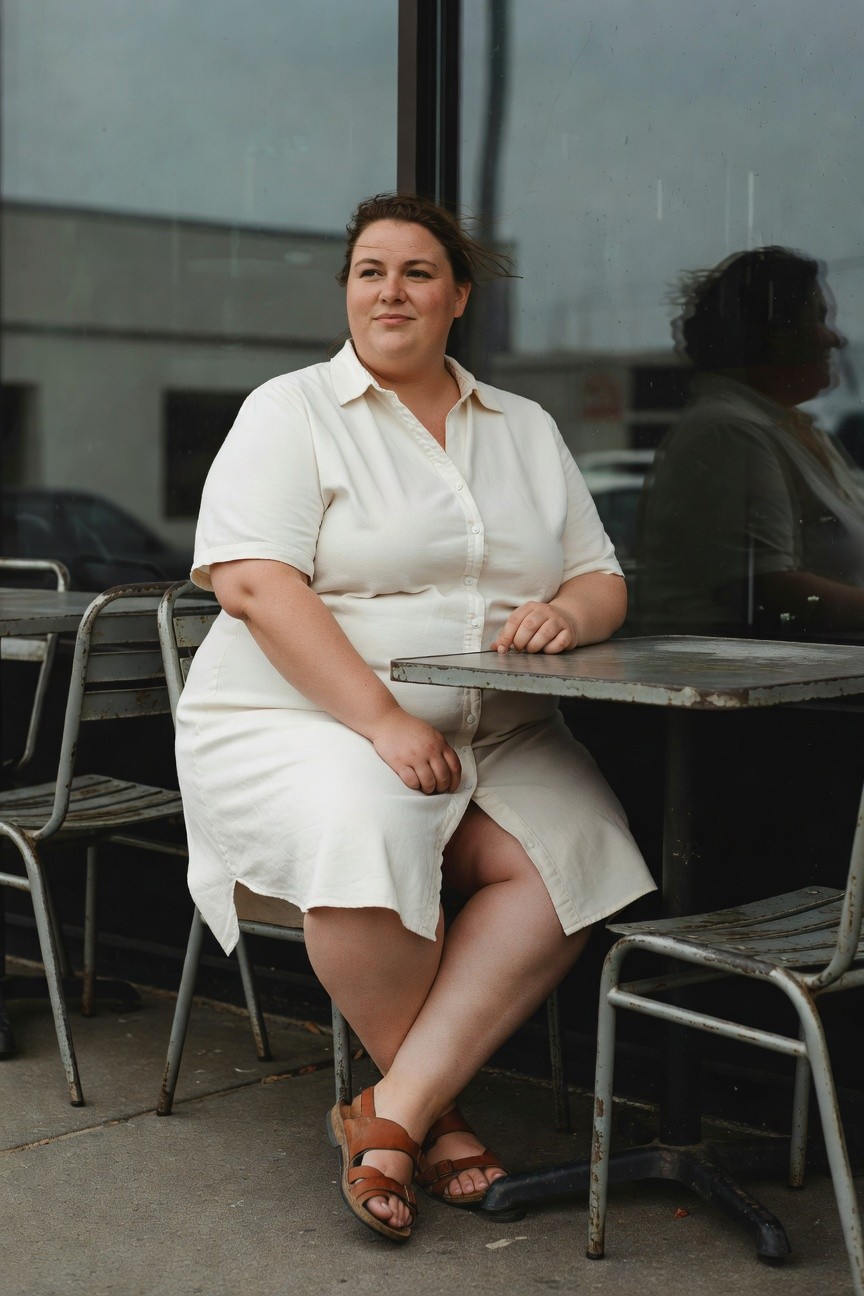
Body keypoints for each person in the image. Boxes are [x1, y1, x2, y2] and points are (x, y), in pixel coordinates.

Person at [175, 192, 655, 1243]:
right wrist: (384, 721)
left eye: (418, 272)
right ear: (348, 293)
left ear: (459, 297)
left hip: (500, 724)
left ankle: (392, 1109)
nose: (391, 290)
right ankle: (434, 1126)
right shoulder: (290, 410)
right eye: (370, 272)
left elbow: (601, 579)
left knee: (579, 849)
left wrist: (567, 611)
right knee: (372, 817)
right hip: (302, 716)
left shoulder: (521, 426)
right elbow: (255, 585)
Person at [635, 246, 864, 638]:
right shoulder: (729, 433)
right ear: (771, 335)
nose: (835, 339)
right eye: (819, 319)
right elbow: (769, 591)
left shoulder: (789, 426)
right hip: (767, 688)